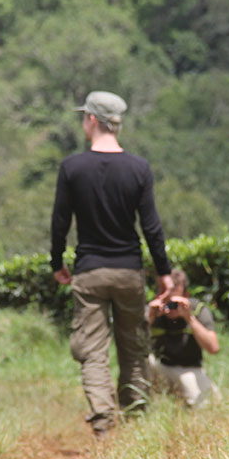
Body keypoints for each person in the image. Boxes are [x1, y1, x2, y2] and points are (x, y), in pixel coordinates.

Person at [50, 90, 174, 439]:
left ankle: (104, 423)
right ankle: (135, 418)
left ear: (91, 120)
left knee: (93, 352)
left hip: (89, 270)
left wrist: (57, 262)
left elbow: (60, 222)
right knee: (133, 347)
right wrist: (164, 272)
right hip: (128, 271)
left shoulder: (72, 167)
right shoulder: (138, 168)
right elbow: (151, 227)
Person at [147, 268, 221, 408]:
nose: (169, 308)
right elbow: (132, 347)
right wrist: (149, 320)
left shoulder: (197, 310)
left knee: (209, 403)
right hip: (160, 367)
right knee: (143, 361)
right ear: (158, 296)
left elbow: (213, 348)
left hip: (188, 369)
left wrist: (189, 318)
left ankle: (181, 399)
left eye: (173, 303)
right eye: (166, 302)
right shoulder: (152, 312)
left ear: (185, 296)